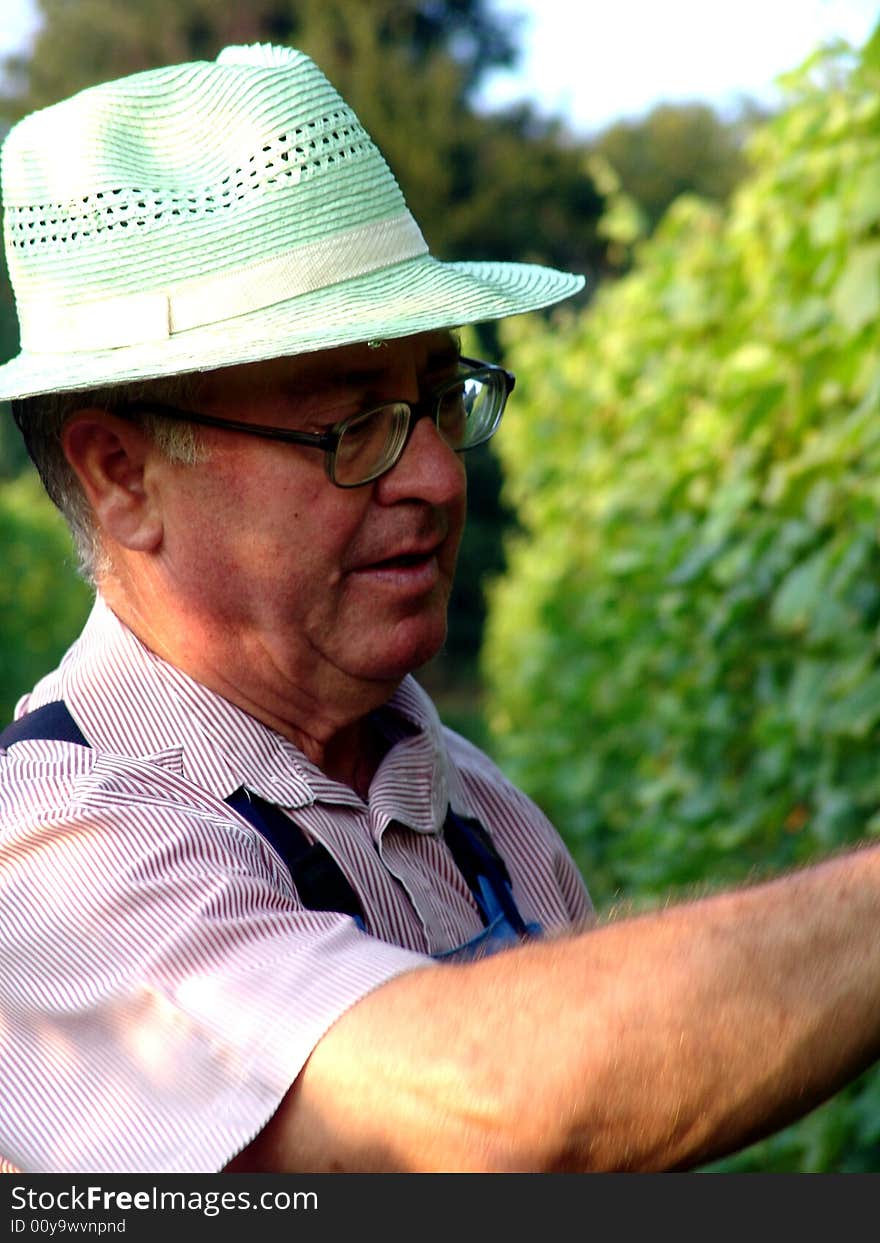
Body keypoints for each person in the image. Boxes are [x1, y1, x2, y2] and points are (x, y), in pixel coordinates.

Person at [0, 43, 877, 1177]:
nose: (436, 476)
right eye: (351, 424)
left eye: (430, 398)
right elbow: (483, 1103)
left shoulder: (483, 813)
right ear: (122, 473)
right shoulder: (51, 860)